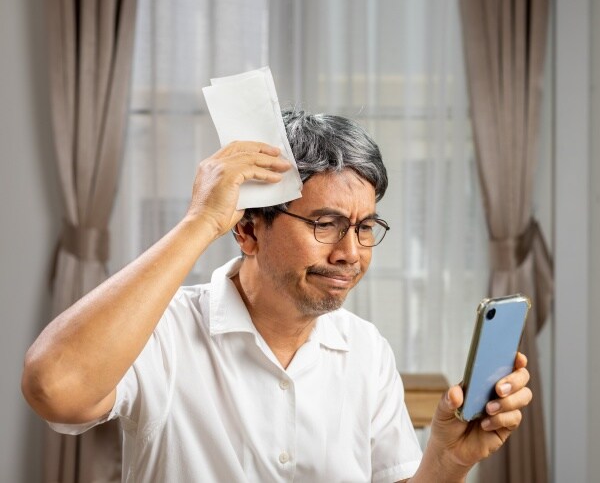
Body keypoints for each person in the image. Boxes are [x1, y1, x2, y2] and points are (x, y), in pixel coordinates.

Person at [22, 109, 532, 482]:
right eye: (326, 224)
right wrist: (201, 221)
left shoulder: (366, 349)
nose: (350, 253)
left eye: (365, 227)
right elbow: (55, 389)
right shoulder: (162, 330)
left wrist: (449, 460)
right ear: (247, 231)